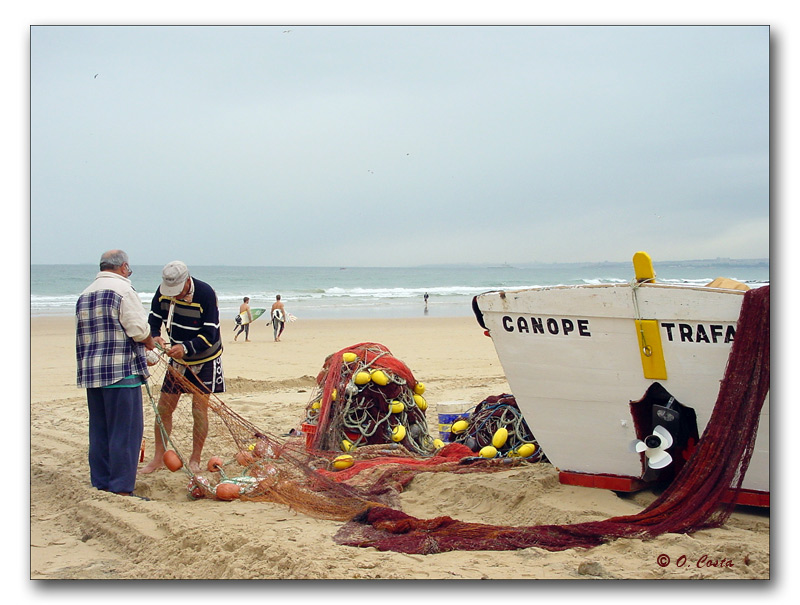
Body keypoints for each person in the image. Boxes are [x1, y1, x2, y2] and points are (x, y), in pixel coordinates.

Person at [76, 250, 155, 498]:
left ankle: (101, 483)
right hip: (122, 374)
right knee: (126, 432)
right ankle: (121, 488)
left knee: (100, 432)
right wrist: (151, 343)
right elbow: (139, 330)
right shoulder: (123, 291)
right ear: (123, 267)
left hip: (92, 373)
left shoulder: (85, 294)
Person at [140, 261, 224, 474]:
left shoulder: (205, 293)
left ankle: (195, 459)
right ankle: (158, 458)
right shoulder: (162, 292)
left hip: (205, 357)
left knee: (199, 410)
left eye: (178, 291)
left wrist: (186, 347)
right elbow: (154, 319)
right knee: (164, 408)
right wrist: (155, 335)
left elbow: (210, 334)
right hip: (177, 358)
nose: (174, 296)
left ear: (187, 281)